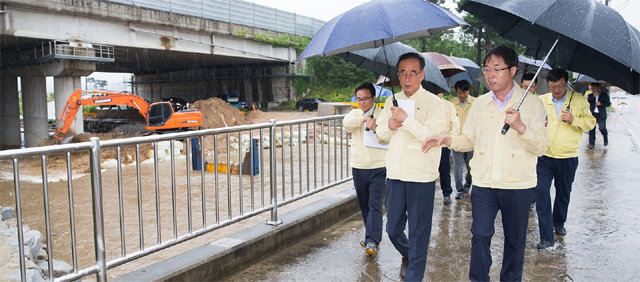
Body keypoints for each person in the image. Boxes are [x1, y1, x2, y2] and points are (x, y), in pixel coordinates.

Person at [422, 46, 549, 281]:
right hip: (484, 184)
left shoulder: (532, 105)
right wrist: (446, 139)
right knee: (480, 235)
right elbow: (468, 139)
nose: (490, 75)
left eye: (497, 69)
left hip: (518, 186)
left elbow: (542, 147)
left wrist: (521, 127)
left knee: (514, 241)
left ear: (512, 71)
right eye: (487, 69)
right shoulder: (480, 104)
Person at [376, 52, 446, 280]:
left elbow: (432, 136)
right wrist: (390, 124)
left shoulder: (435, 104)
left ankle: (414, 273)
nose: (407, 78)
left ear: (422, 74)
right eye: (403, 73)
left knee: (419, 232)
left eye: (412, 73)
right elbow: (381, 136)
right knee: (393, 228)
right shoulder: (390, 101)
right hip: (396, 174)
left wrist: (407, 120)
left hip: (421, 177)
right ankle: (411, 255)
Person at [535, 69, 596, 250]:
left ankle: (559, 222)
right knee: (541, 192)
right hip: (545, 155)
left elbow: (591, 122)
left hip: (568, 156)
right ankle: (546, 236)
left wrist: (574, 119)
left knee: (563, 193)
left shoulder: (578, 100)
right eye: (553, 86)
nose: (556, 90)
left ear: (566, 84)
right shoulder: (542, 101)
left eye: (561, 86)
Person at [343, 82, 387, 256]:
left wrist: (375, 126)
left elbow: (386, 136)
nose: (362, 102)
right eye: (359, 99)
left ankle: (372, 240)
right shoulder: (354, 114)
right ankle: (369, 235)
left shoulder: (382, 114)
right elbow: (347, 124)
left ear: (373, 98)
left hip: (378, 166)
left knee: (375, 204)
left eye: (366, 99)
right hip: (359, 166)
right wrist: (363, 118)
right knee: (364, 204)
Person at [451, 80, 475, 199]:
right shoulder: (452, 103)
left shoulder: (475, 103)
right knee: (457, 167)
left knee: (471, 166)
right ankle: (459, 189)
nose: (461, 96)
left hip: (470, 140)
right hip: (456, 140)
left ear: (468, 91)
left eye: (464, 93)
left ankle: (468, 182)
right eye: (459, 93)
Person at [436, 92, 460, 205]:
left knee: (444, 170)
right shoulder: (425, 104)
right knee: (428, 171)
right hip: (429, 144)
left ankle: (446, 194)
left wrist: (450, 138)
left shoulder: (448, 106)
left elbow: (455, 124)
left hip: (443, 145)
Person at [587, 82, 611, 149]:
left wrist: (601, 104)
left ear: (598, 88)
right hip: (593, 115)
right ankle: (591, 144)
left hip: (601, 115)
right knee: (591, 130)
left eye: (594, 88)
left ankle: (605, 137)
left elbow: (608, 103)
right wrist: (594, 96)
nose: (593, 89)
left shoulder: (604, 95)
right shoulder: (590, 95)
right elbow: (588, 101)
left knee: (602, 128)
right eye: (592, 88)